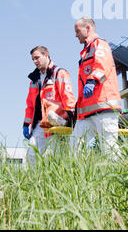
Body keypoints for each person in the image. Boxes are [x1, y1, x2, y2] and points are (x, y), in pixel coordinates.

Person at [71, 18, 122, 157]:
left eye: (77, 31)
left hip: (104, 105)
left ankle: (116, 176)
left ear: (87, 28)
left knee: (109, 147)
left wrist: (92, 81)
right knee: (75, 145)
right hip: (87, 110)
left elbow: (102, 63)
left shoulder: (100, 44)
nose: (76, 35)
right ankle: (78, 177)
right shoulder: (86, 51)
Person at [23, 46, 76, 164]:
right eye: (33, 59)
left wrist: (72, 120)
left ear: (46, 55)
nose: (35, 61)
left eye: (37, 58)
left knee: (57, 156)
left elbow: (68, 96)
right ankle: (34, 180)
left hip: (57, 121)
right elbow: (30, 104)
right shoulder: (34, 79)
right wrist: (26, 124)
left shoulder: (58, 73)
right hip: (41, 123)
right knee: (32, 154)